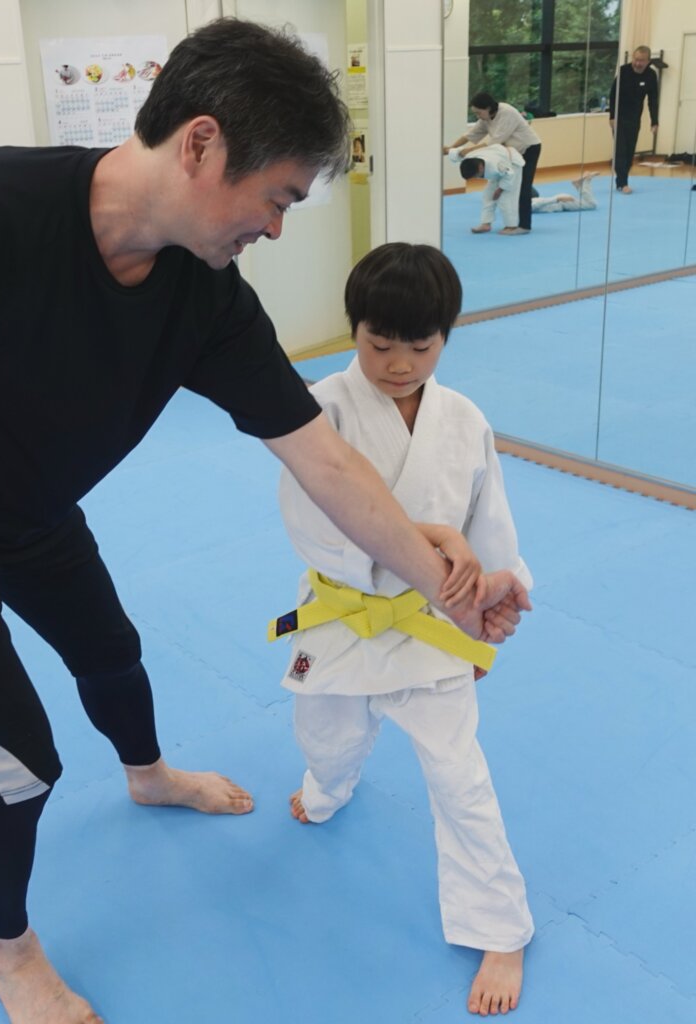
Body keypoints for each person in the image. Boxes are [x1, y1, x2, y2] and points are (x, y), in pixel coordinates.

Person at [0, 19, 528, 1024]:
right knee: (18, 770)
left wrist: (448, 587)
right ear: (200, 143)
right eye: (278, 197)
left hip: (32, 508)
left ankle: (146, 775)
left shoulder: (205, 299)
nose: (277, 228)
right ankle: (11, 956)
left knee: (112, 651)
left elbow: (322, 458)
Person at [276, 243, 534, 1018]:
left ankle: (500, 929)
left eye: (420, 346)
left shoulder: (465, 421)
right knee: (326, 739)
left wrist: (489, 610)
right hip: (342, 618)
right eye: (378, 342)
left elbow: (489, 530)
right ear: (353, 329)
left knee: (460, 778)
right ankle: (328, 787)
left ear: (446, 336)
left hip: (433, 625)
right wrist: (429, 541)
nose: (397, 363)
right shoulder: (321, 410)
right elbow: (313, 526)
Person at [444, 92, 542, 233]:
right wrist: (450, 149)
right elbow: (470, 135)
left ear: (488, 108)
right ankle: (486, 223)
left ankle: (524, 226)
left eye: (478, 112)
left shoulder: (507, 113)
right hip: (507, 153)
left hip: (528, 149)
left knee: (522, 188)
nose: (477, 116)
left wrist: (466, 151)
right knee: (490, 193)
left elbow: (494, 142)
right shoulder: (485, 118)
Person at [609, 46, 659, 194]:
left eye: (641, 61)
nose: (637, 63)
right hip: (619, 117)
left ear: (648, 61)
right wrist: (612, 116)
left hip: (635, 118)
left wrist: (654, 121)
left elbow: (653, 100)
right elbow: (613, 94)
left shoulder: (651, 75)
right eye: (636, 59)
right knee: (620, 150)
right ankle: (622, 183)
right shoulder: (624, 71)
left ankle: (622, 180)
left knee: (630, 151)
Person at [456, 144, 526, 234]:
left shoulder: (496, 165)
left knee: (506, 198)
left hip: (512, 163)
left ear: (480, 168)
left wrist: (500, 190)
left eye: (476, 176)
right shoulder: (469, 159)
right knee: (488, 196)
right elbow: (455, 155)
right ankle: (486, 224)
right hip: (498, 157)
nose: (476, 178)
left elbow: (509, 175)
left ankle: (511, 226)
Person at [531, 171, 600, 214]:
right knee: (587, 203)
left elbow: (539, 203)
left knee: (591, 205)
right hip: (561, 201)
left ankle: (587, 180)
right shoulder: (530, 201)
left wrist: (558, 199)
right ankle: (579, 185)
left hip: (562, 202)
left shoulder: (529, 205)